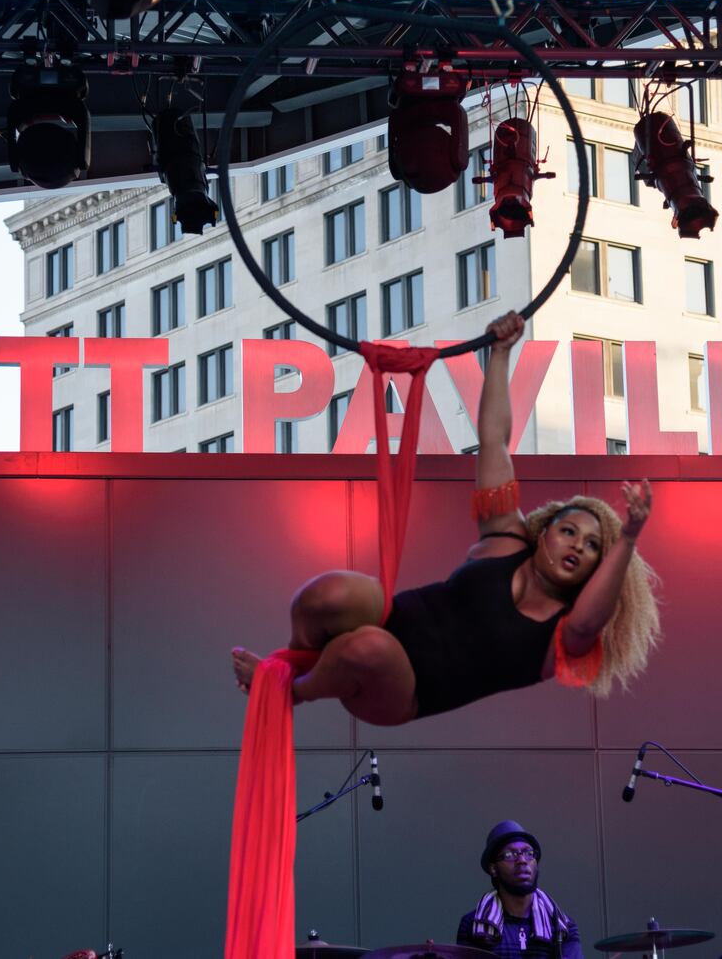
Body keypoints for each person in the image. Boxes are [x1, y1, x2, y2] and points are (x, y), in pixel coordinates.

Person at [230, 311, 661, 723]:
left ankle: (290, 692)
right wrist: (501, 352)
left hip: (400, 691)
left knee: (366, 648)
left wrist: (629, 537)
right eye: (569, 531)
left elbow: (591, 618)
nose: (577, 546)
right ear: (542, 531)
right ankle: (292, 662)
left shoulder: (565, 635)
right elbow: (494, 440)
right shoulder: (505, 540)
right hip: (385, 621)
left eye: (591, 548)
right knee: (327, 594)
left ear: (598, 572)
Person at [457, 821, 583, 959]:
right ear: (493, 868)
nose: (522, 860)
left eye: (528, 853)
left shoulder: (562, 926)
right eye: (510, 855)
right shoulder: (473, 925)